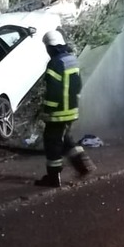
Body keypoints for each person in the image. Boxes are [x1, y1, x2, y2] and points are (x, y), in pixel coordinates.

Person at [35, 29, 94, 187]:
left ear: (51, 46)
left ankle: (53, 178)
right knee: (66, 139)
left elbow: (53, 90)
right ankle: (83, 166)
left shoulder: (55, 63)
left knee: (52, 142)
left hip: (58, 112)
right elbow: (78, 84)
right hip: (71, 110)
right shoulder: (71, 60)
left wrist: (47, 110)